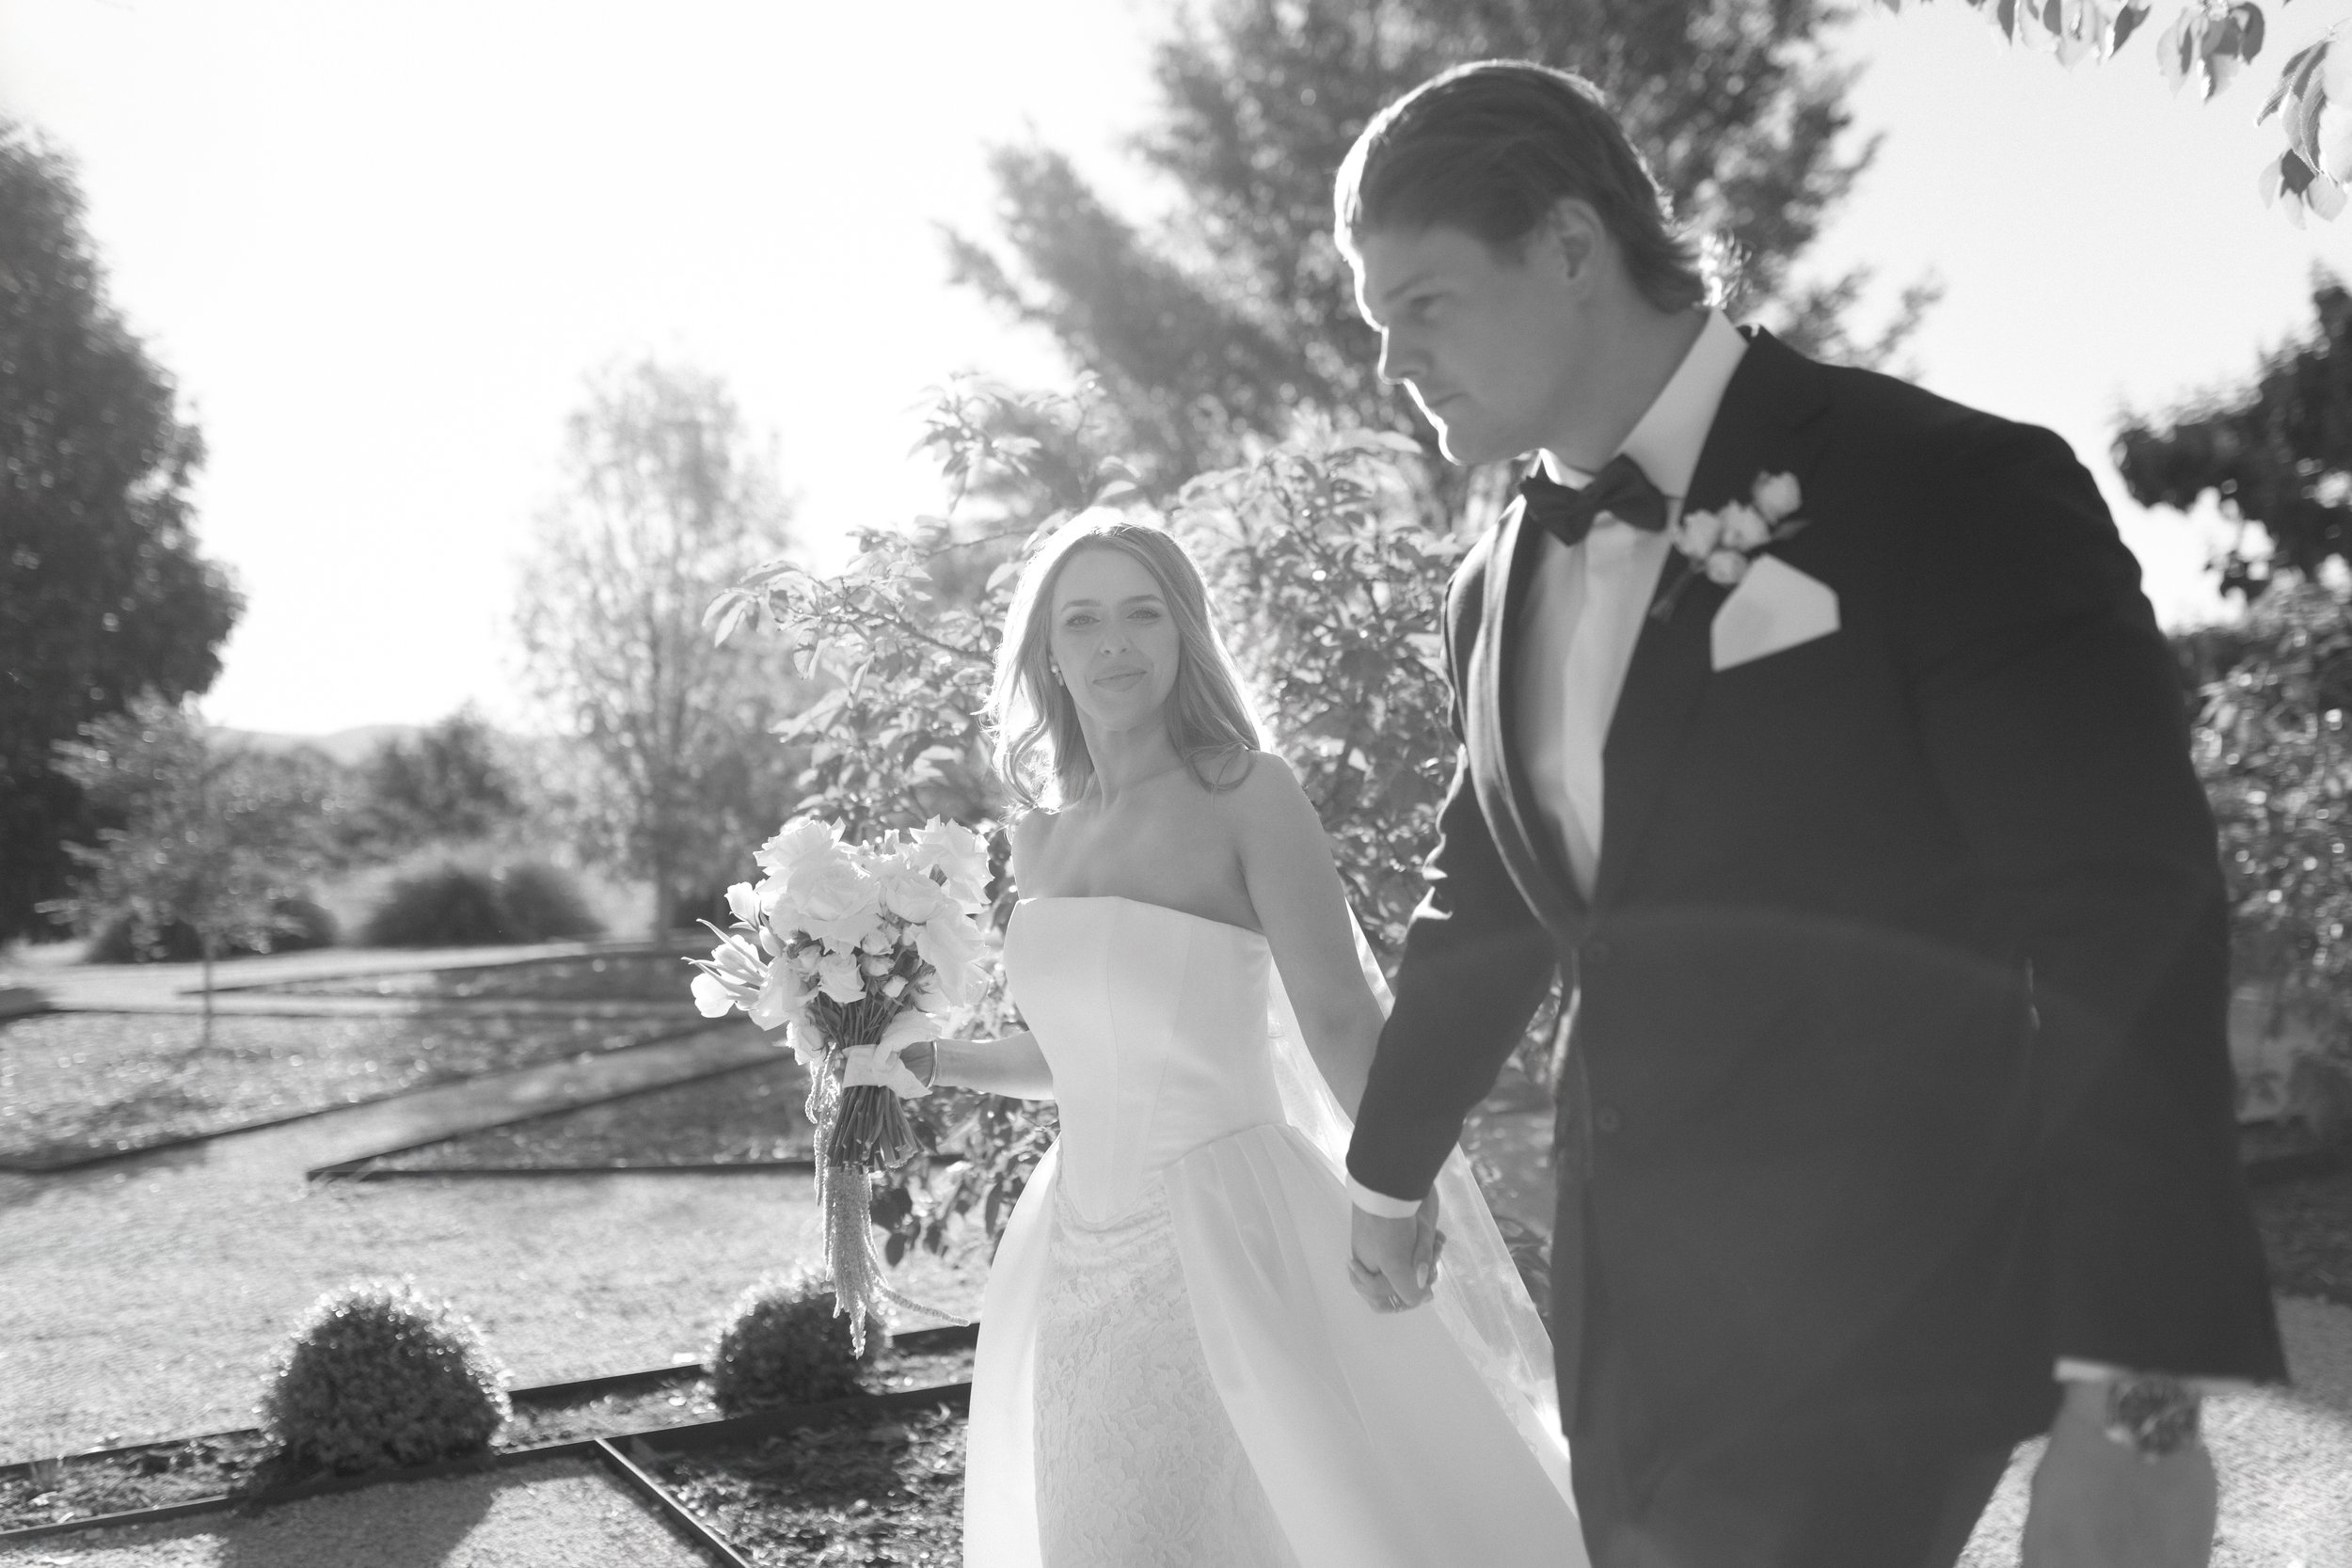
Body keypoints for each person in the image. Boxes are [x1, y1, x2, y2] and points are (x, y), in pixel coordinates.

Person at [1330, 58, 2287, 1568]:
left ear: (1572, 247)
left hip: (1892, 1312)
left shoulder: (1950, 489)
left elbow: (2126, 920)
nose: (1394, 363)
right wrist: (1385, 1170)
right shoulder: (1491, 582)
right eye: (1375, 325)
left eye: (1423, 305)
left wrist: (2137, 1389)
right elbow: (1493, 898)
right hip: (1631, 1327)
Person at [862, 511, 1583, 1567]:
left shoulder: (1249, 791)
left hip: (1228, 1226)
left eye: (1143, 613)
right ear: (1047, 654)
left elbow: (1338, 1011)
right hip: (1074, 1248)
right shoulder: (1040, 839)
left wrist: (1400, 1183)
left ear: (1183, 633)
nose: (1115, 642)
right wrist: (938, 1060)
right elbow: (1076, 1056)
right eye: (1085, 619)